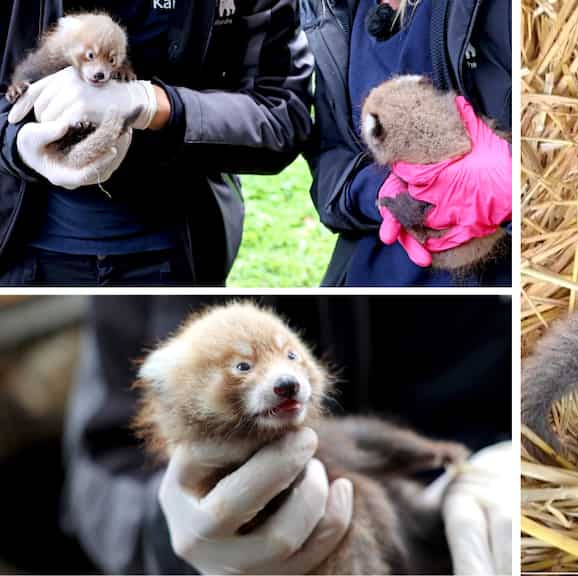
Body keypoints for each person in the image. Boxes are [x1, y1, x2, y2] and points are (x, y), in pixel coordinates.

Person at [61, 295, 514, 573]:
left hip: (473, 523)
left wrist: (504, 459)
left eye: (293, 359)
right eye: (242, 368)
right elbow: (97, 470)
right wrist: (174, 541)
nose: (286, 379)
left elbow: (358, 438)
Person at [0, 0, 313, 286]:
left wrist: (157, 106)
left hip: (176, 252)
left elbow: (281, 119)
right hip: (24, 253)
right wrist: (16, 143)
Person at [301, 0, 512, 286]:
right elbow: (331, 164)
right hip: (370, 278)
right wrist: (382, 195)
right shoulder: (332, 8)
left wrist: (509, 185)